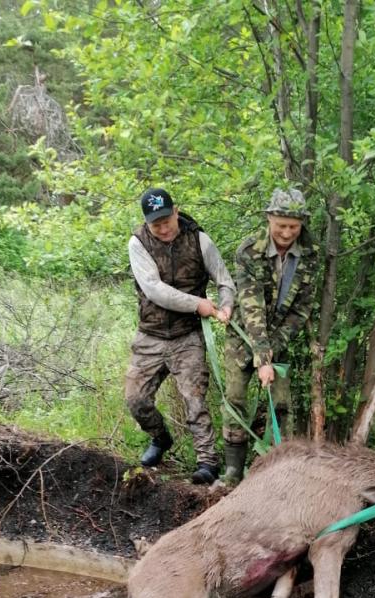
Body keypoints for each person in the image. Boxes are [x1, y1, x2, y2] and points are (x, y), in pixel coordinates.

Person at [126, 187, 235, 485]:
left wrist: (226, 305)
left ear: (176, 211)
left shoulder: (200, 240)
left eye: (166, 220)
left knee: (195, 400)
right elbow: (154, 289)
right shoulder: (138, 244)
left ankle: (207, 462)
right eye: (155, 224)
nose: (162, 228)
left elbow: (225, 281)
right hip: (150, 335)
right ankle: (160, 438)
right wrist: (197, 304)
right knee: (136, 400)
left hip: (188, 336)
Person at [221, 188, 318, 484]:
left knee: (282, 404)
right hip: (244, 336)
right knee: (235, 398)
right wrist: (262, 358)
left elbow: (302, 309)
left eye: (293, 226)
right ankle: (233, 472)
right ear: (269, 218)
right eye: (281, 225)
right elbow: (251, 307)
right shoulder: (248, 250)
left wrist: (273, 350)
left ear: (301, 223)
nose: (287, 233)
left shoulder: (310, 254)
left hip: (280, 340)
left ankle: (277, 474)